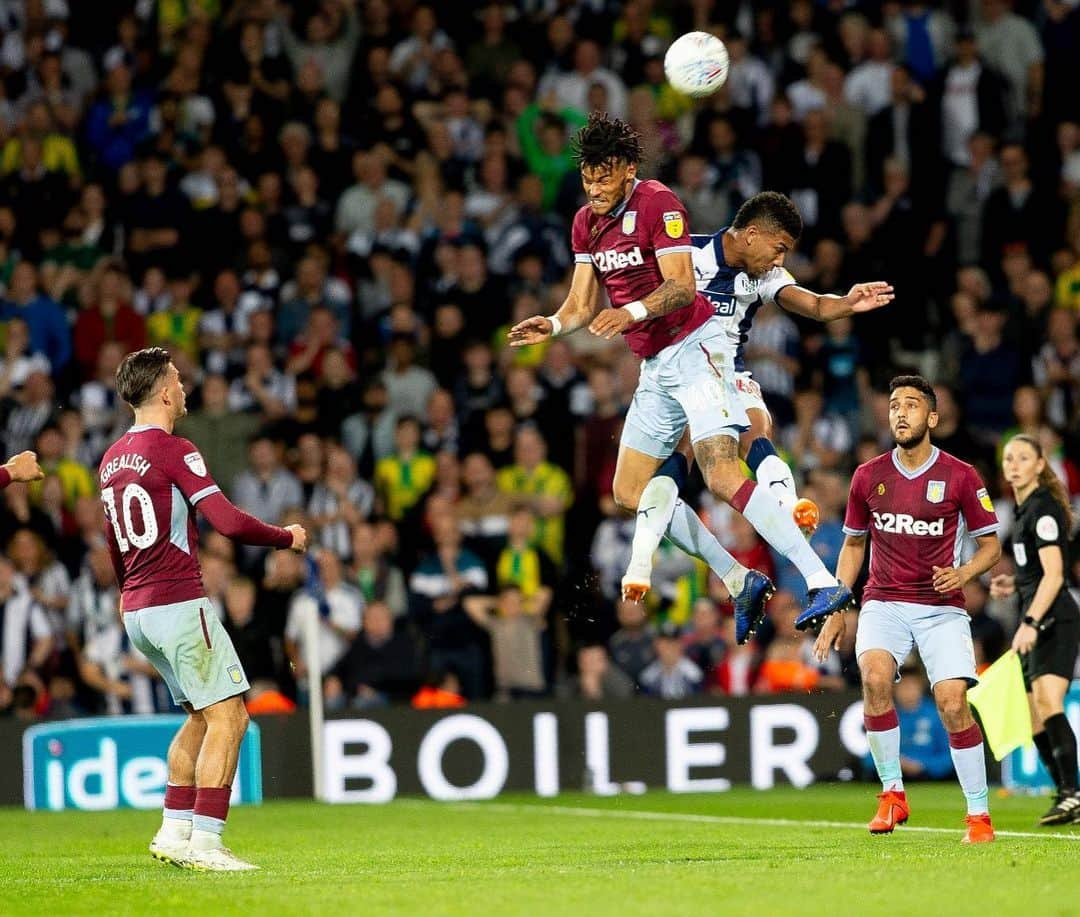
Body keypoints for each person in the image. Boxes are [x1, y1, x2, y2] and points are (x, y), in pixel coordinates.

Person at [508, 115, 860, 646]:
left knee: (721, 472)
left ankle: (821, 580)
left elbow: (680, 287)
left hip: (697, 348)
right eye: (587, 180)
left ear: (627, 170)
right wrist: (554, 324)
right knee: (628, 494)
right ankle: (740, 578)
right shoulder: (586, 222)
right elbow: (582, 303)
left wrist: (628, 315)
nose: (595, 190)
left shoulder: (658, 203)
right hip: (654, 366)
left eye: (604, 178)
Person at [621, 197, 894, 615]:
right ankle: (739, 575)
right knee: (630, 492)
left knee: (745, 443)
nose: (780, 259)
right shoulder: (683, 255)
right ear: (752, 235)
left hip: (726, 377)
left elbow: (815, 305)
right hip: (672, 381)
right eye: (779, 247)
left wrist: (844, 303)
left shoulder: (765, 276)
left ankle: (807, 557)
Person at [100, 348, 307, 871]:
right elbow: (228, 522)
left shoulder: (110, 459)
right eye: (178, 378)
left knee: (199, 714)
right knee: (231, 715)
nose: (184, 387)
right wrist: (287, 537)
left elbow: (111, 543)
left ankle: (174, 831)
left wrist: (129, 596)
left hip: (137, 608)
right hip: (176, 599)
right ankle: (208, 844)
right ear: (164, 391)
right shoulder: (174, 450)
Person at [814, 375, 1001, 844]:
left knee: (953, 704)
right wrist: (839, 605)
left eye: (912, 405)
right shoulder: (867, 476)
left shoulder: (960, 475)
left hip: (942, 606)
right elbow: (854, 546)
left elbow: (992, 547)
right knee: (875, 678)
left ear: (931, 418)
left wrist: (963, 573)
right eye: (894, 404)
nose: (900, 412)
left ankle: (978, 815)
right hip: (885, 600)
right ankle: (892, 793)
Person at [991, 434, 1080, 824]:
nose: (1013, 464)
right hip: (1038, 613)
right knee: (1033, 715)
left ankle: (1072, 793)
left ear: (1040, 464)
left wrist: (1029, 622)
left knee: (1047, 701)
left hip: (1054, 618)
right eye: (1009, 458)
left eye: (1023, 457)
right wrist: (1015, 582)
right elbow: (1039, 570)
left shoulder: (1043, 508)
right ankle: (1066, 793)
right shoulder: (1024, 509)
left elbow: (1056, 575)